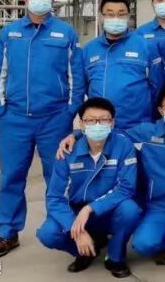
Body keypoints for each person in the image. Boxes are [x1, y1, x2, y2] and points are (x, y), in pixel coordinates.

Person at [57, 82, 165, 276]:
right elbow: (108, 132)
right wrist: (77, 134)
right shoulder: (145, 133)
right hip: (158, 208)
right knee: (143, 245)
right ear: (160, 110)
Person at [0, 0, 85, 258]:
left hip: (54, 119)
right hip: (14, 119)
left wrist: (70, 111)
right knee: (11, 176)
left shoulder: (65, 34)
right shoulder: (10, 34)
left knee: (58, 176)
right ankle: (7, 232)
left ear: (53, 0)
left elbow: (76, 77)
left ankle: (61, 227)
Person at [36, 98, 141, 278]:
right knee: (48, 234)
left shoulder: (123, 145)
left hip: (107, 210)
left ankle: (115, 257)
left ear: (112, 123)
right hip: (76, 213)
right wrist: (76, 230)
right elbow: (55, 198)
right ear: (81, 124)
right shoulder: (67, 151)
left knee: (130, 210)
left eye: (104, 120)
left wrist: (90, 208)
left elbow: (126, 187)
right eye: (90, 120)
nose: (97, 125)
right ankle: (85, 252)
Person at [82, 0, 157, 130]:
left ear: (128, 17)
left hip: (137, 126)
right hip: (100, 126)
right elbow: (86, 86)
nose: (116, 18)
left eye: (121, 14)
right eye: (110, 14)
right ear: (101, 17)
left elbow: (156, 86)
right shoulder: (89, 49)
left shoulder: (145, 46)